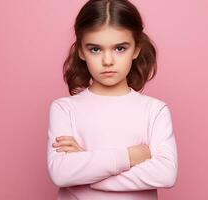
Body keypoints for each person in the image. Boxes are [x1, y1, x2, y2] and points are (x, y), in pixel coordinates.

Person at [47, 0, 178, 199]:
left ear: (136, 49)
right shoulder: (64, 109)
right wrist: (131, 156)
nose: (108, 61)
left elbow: (166, 174)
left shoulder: (154, 110)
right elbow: (61, 173)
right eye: (95, 49)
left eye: (120, 48)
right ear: (81, 51)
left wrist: (87, 168)